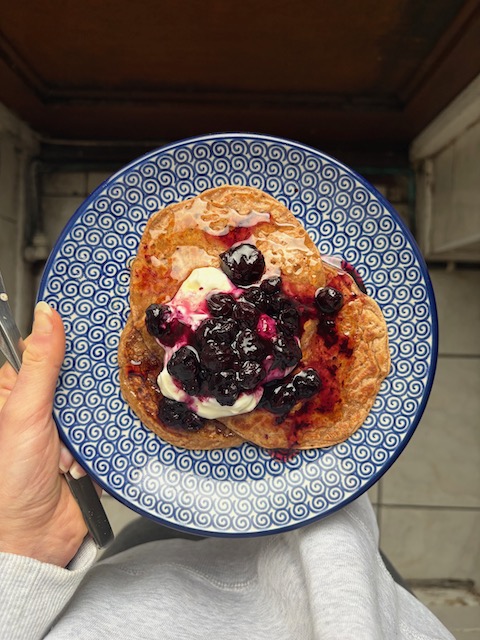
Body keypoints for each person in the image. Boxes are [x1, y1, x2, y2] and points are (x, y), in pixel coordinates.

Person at [0, 302, 454, 640]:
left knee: (148, 533)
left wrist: (27, 543)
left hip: (127, 578)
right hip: (333, 565)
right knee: (350, 546)